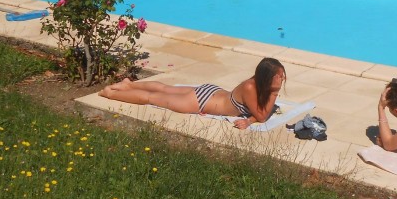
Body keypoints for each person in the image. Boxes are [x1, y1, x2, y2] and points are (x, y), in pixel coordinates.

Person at [99, 58, 286, 130]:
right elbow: (262, 115)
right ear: (266, 77)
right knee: (153, 98)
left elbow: (256, 114)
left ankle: (128, 86)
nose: (282, 77)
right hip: (202, 101)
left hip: (212, 92)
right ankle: (110, 93)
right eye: (278, 76)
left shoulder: (256, 84)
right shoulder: (251, 88)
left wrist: (249, 120)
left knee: (165, 88)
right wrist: (274, 93)